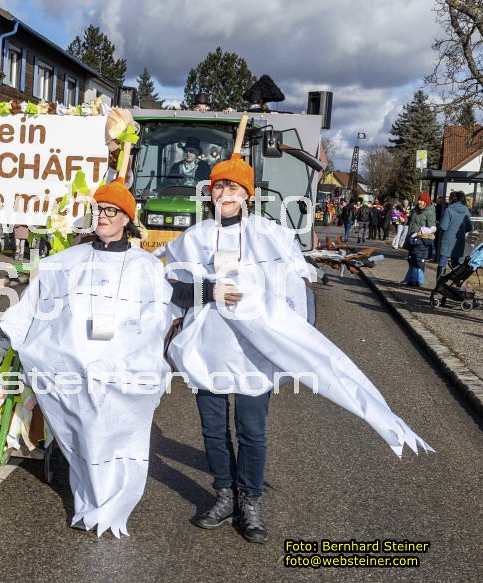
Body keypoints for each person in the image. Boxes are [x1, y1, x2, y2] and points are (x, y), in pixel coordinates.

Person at [164, 153, 431, 544]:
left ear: (247, 194)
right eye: (219, 186)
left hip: (255, 353)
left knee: (251, 430)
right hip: (208, 349)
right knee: (213, 429)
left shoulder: (270, 235)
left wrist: (289, 336)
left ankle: (250, 502)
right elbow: (171, 288)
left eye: (234, 187)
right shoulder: (194, 238)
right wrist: (208, 290)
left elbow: (295, 289)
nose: (225, 194)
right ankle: (224, 495)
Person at [0, 181, 173, 538]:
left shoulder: (146, 266)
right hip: (76, 367)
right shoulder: (68, 261)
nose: (103, 216)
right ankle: (90, 500)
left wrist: (130, 353)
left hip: (123, 368)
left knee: (118, 435)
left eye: (111, 211)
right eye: (98, 210)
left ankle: (113, 503)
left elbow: (157, 317)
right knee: (87, 436)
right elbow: (44, 303)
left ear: (127, 218)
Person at [401, 193, 436, 287]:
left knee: (418, 260)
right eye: (419, 200)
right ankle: (411, 279)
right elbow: (410, 221)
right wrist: (404, 219)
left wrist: (425, 231)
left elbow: (433, 227)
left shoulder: (430, 212)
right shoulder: (414, 210)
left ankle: (417, 280)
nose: (419, 202)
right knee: (411, 259)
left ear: (426, 202)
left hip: (421, 241)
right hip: (412, 238)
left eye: (421, 200)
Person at [436, 191, 473, 279]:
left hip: (447, 239)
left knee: (443, 260)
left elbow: (444, 226)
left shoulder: (448, 210)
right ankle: (455, 281)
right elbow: (469, 227)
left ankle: (439, 282)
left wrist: (439, 225)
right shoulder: (466, 211)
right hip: (459, 240)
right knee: (455, 261)